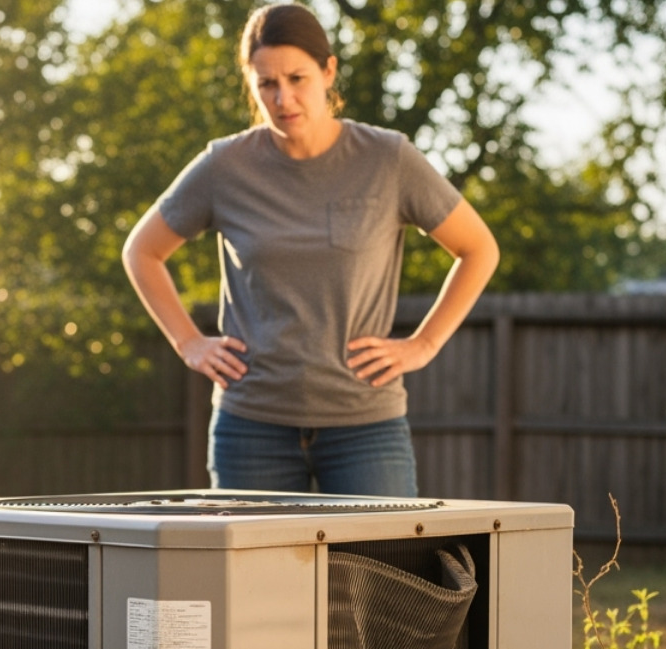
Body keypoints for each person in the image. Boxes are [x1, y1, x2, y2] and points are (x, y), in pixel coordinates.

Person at [121, 2, 499, 498]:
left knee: (379, 573)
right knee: (253, 578)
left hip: (366, 427)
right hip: (251, 427)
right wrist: (188, 343)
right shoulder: (224, 166)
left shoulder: (388, 159)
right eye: (267, 84)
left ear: (328, 71)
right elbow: (142, 252)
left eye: (297, 78)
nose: (283, 98)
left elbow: (478, 249)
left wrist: (423, 345)